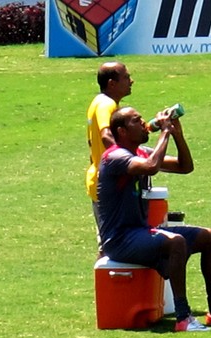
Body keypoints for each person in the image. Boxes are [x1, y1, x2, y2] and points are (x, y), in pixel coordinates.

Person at [97, 106, 211, 332]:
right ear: (121, 131)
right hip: (120, 240)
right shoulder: (115, 156)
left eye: (142, 119)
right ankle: (183, 317)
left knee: (210, 238)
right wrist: (165, 133)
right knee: (176, 241)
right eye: (136, 120)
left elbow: (185, 167)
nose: (143, 123)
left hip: (139, 233)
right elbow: (151, 167)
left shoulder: (140, 153)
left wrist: (177, 134)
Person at [85, 62, 134, 258]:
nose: (131, 81)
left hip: (100, 180)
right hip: (107, 186)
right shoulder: (107, 104)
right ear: (112, 83)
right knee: (110, 247)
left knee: (110, 244)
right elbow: (106, 135)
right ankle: (105, 288)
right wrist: (126, 161)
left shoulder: (99, 102)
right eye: (126, 77)